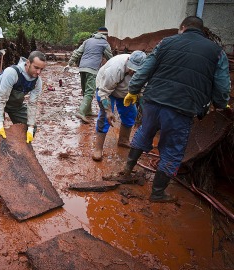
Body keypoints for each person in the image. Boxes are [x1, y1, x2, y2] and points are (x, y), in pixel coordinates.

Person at [120, 16, 231, 203]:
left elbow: (146, 68)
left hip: (153, 101)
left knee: (143, 133)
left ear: (182, 28)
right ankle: (157, 193)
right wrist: (221, 104)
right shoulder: (217, 52)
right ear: (201, 31)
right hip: (182, 108)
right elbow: (221, 85)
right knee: (173, 149)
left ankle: (126, 171)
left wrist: (133, 90)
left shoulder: (166, 43)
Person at [0, 51, 47, 183]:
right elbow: (1, 99)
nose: (39, 72)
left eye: (41, 69)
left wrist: (30, 127)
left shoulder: (37, 82)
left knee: (31, 129)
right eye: (36, 67)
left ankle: (17, 159)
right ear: (28, 63)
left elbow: (33, 104)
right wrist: (0, 123)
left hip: (16, 104)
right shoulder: (12, 73)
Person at [92, 50, 147, 161]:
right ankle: (98, 148)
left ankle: (123, 140)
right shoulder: (115, 68)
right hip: (106, 90)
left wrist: (144, 108)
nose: (133, 72)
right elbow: (104, 92)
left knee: (131, 113)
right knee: (104, 117)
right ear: (128, 61)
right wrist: (108, 111)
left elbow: (142, 90)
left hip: (126, 92)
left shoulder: (146, 71)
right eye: (131, 69)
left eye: (136, 71)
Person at [65, 27, 113, 123]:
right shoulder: (104, 43)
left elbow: (77, 52)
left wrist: (69, 63)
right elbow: (110, 58)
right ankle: (81, 112)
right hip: (92, 69)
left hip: (82, 68)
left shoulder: (87, 41)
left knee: (85, 90)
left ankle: (88, 111)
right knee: (89, 92)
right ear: (105, 35)